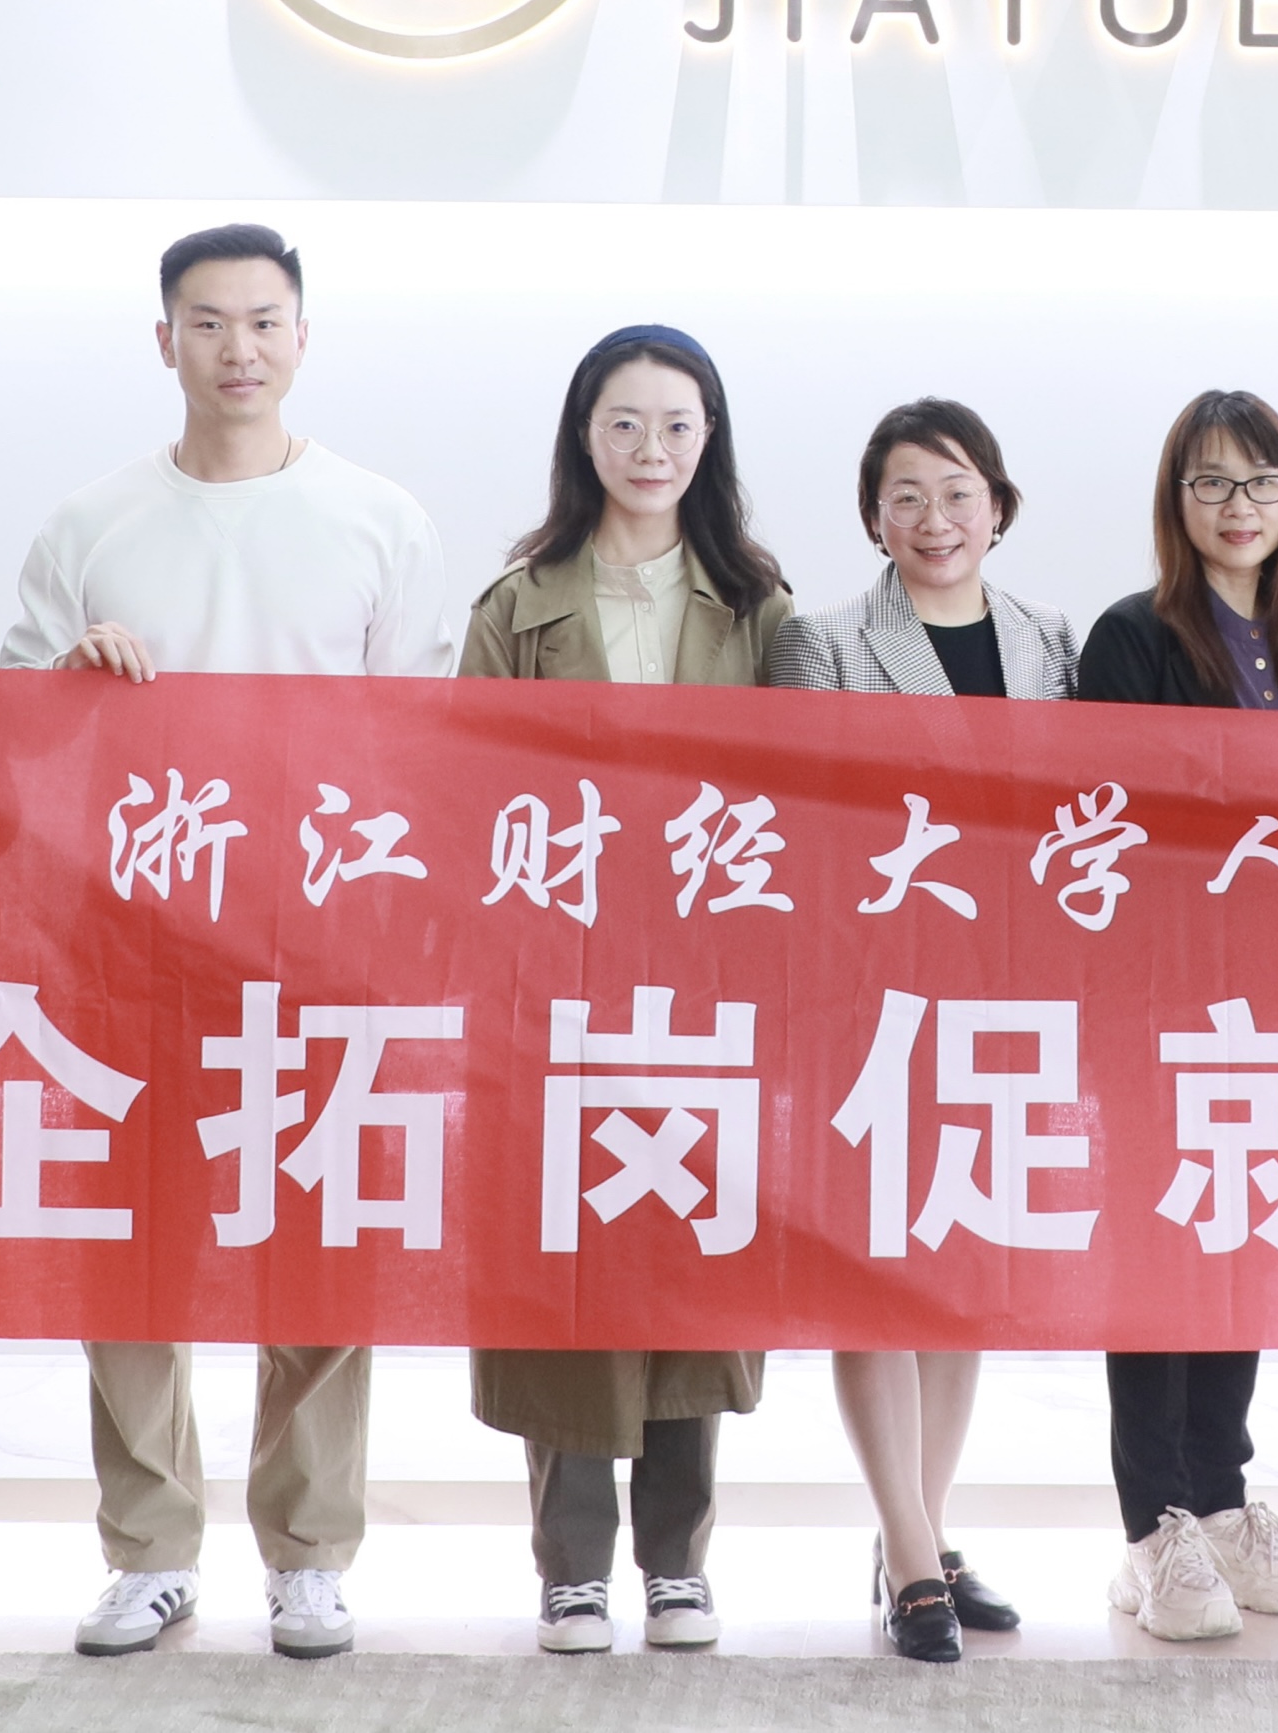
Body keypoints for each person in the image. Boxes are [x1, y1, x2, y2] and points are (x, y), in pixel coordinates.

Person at [0, 224, 454, 1663]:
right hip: (130, 942)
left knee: (317, 1242)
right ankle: (148, 1550)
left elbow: (419, 750)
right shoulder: (90, 526)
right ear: (165, 342)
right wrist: (75, 685)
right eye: (208, 323)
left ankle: (309, 1552)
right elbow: (11, 745)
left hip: (319, 941)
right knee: (132, 1245)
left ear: (302, 338)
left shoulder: (380, 518)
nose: (237, 348)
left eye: (263, 321)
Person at [458, 327, 791, 1658]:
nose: (652, 449)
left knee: (688, 1261)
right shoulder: (517, 604)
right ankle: (571, 1566)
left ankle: (677, 1561)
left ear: (709, 441)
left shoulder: (761, 609)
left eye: (678, 425)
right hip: (558, 987)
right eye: (625, 423)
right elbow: (467, 801)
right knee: (567, 1270)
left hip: (706, 986)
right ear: (582, 436)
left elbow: (800, 807)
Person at [770, 399, 1079, 1663]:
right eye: (906, 496)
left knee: (960, 1277)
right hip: (870, 997)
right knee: (874, 1274)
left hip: (1004, 991)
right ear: (874, 518)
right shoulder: (822, 641)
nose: (935, 519)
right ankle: (907, 1552)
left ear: (998, 506)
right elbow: (806, 823)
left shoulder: (1051, 640)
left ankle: (927, 1533)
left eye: (957, 493)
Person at [1071, 391, 1278, 1644]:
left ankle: (1223, 1499)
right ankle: (1154, 1527)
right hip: (1158, 1002)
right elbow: (1113, 828)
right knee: (1157, 1251)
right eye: (1212, 483)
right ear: (1175, 503)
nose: (1238, 507)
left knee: (1240, 1240)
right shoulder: (1132, 638)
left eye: (1260, 483)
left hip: (1273, 1000)